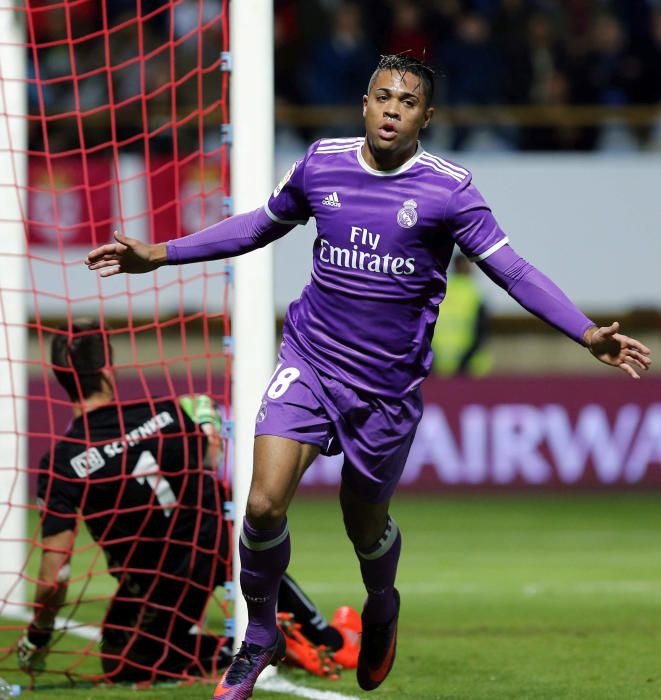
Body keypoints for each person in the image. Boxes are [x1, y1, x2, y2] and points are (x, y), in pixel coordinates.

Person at [85, 54, 652, 698]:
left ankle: (382, 602)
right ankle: (262, 633)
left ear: (425, 117)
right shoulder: (322, 162)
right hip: (310, 360)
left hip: (385, 390)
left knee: (364, 523)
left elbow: (512, 270)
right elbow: (259, 226)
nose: (392, 109)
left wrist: (585, 332)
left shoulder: (449, 189)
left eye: (406, 102)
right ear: (364, 102)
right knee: (264, 501)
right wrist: (159, 253)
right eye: (382, 97)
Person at [17, 320, 359, 683]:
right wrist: (206, 421)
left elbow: (54, 578)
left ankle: (259, 648)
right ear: (107, 367)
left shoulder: (62, 461)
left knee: (123, 659)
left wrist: (39, 634)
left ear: (58, 376)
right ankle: (330, 639)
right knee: (241, 547)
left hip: (158, 578)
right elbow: (210, 453)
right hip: (213, 546)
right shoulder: (166, 413)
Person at [431, 254, 491, 376]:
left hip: (439, 362)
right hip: (470, 365)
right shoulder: (475, 292)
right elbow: (482, 330)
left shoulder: (440, 289)